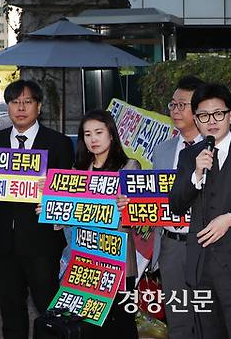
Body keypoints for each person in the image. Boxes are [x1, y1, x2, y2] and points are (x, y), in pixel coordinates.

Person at [169, 83, 231, 339]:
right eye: (203, 116)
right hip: (201, 268)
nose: (211, 121)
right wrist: (196, 174)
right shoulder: (189, 156)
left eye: (218, 114)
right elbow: (176, 204)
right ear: (196, 120)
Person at [0, 80, 74, 339]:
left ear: (39, 106)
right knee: (11, 313)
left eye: (27, 102)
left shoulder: (58, 143)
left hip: (42, 244)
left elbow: (69, 192)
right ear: (7, 106)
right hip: (2, 245)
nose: (20, 108)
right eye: (14, 102)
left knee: (49, 312)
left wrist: (51, 199)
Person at [117, 75, 203, 339]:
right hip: (169, 246)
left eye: (182, 105)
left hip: (203, 245)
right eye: (173, 104)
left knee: (206, 318)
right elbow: (152, 198)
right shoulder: (163, 151)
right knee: (177, 319)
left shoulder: (217, 149)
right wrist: (132, 202)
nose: (175, 110)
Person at [75, 109, 141, 339]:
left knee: (123, 321)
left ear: (111, 134)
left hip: (119, 259)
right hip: (88, 258)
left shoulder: (130, 167)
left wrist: (128, 206)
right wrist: (51, 211)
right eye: (87, 134)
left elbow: (139, 216)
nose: (93, 139)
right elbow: (69, 213)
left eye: (98, 132)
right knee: (92, 322)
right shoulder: (79, 171)